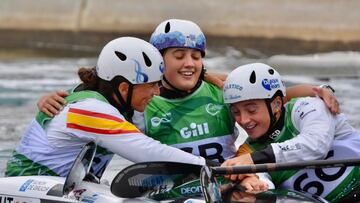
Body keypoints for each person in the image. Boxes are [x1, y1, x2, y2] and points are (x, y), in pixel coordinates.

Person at [37, 19, 340, 165]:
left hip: (227, 180)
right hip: (173, 190)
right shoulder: (142, 105)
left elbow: (277, 96)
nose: (189, 64)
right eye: (179, 55)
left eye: (196, 56)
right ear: (158, 60)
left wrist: (319, 90)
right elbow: (98, 98)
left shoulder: (219, 87)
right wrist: (50, 102)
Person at [5, 37, 207, 178]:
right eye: (152, 85)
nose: (157, 92)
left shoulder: (107, 101)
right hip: (28, 189)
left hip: (57, 187)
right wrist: (208, 167)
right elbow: (147, 151)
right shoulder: (90, 110)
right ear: (124, 88)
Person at [221, 63, 360, 202]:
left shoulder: (308, 107)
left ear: (276, 104)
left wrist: (255, 158)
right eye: (236, 112)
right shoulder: (246, 152)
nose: (244, 120)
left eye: (251, 110)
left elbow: (316, 145)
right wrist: (256, 186)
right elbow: (267, 186)